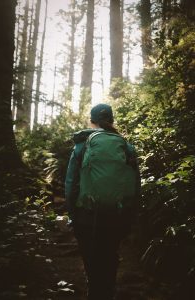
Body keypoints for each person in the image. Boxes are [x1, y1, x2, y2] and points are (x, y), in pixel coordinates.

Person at [65, 103, 140, 300]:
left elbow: (71, 182)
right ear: (112, 120)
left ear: (92, 121)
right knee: (110, 252)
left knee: (90, 255)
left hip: (86, 213)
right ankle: (108, 290)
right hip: (117, 211)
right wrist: (130, 214)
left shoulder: (82, 144)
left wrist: (72, 213)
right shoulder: (126, 145)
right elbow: (135, 182)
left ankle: (94, 290)